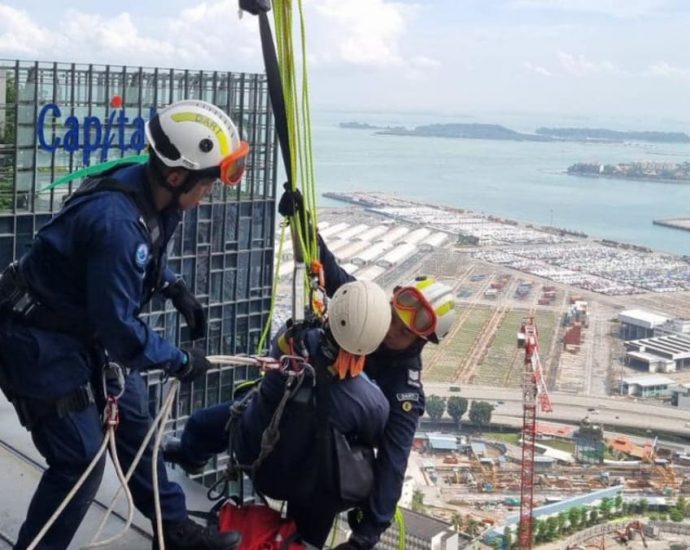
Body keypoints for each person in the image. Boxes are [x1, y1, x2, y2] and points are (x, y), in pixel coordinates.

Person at [0, 99, 249, 550]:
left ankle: (170, 527)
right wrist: (178, 360)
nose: (207, 196)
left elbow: (137, 257)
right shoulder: (115, 224)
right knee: (80, 460)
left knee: (136, 420)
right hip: (38, 341)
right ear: (177, 177)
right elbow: (120, 330)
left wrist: (175, 288)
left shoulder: (146, 183)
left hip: (80, 329)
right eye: (207, 187)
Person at [280, 183, 457, 550]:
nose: (389, 330)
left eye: (403, 332)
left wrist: (367, 534)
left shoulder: (404, 391)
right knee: (220, 421)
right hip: (300, 417)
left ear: (420, 342)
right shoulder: (369, 313)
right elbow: (330, 275)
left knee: (306, 534)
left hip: (328, 459)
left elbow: (393, 460)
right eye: (393, 318)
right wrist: (302, 223)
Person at [164, 279, 393, 548]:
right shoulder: (371, 402)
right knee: (311, 529)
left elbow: (289, 344)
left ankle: (191, 455)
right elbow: (372, 435)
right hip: (308, 487)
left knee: (202, 423)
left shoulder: (292, 343)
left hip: (253, 452)